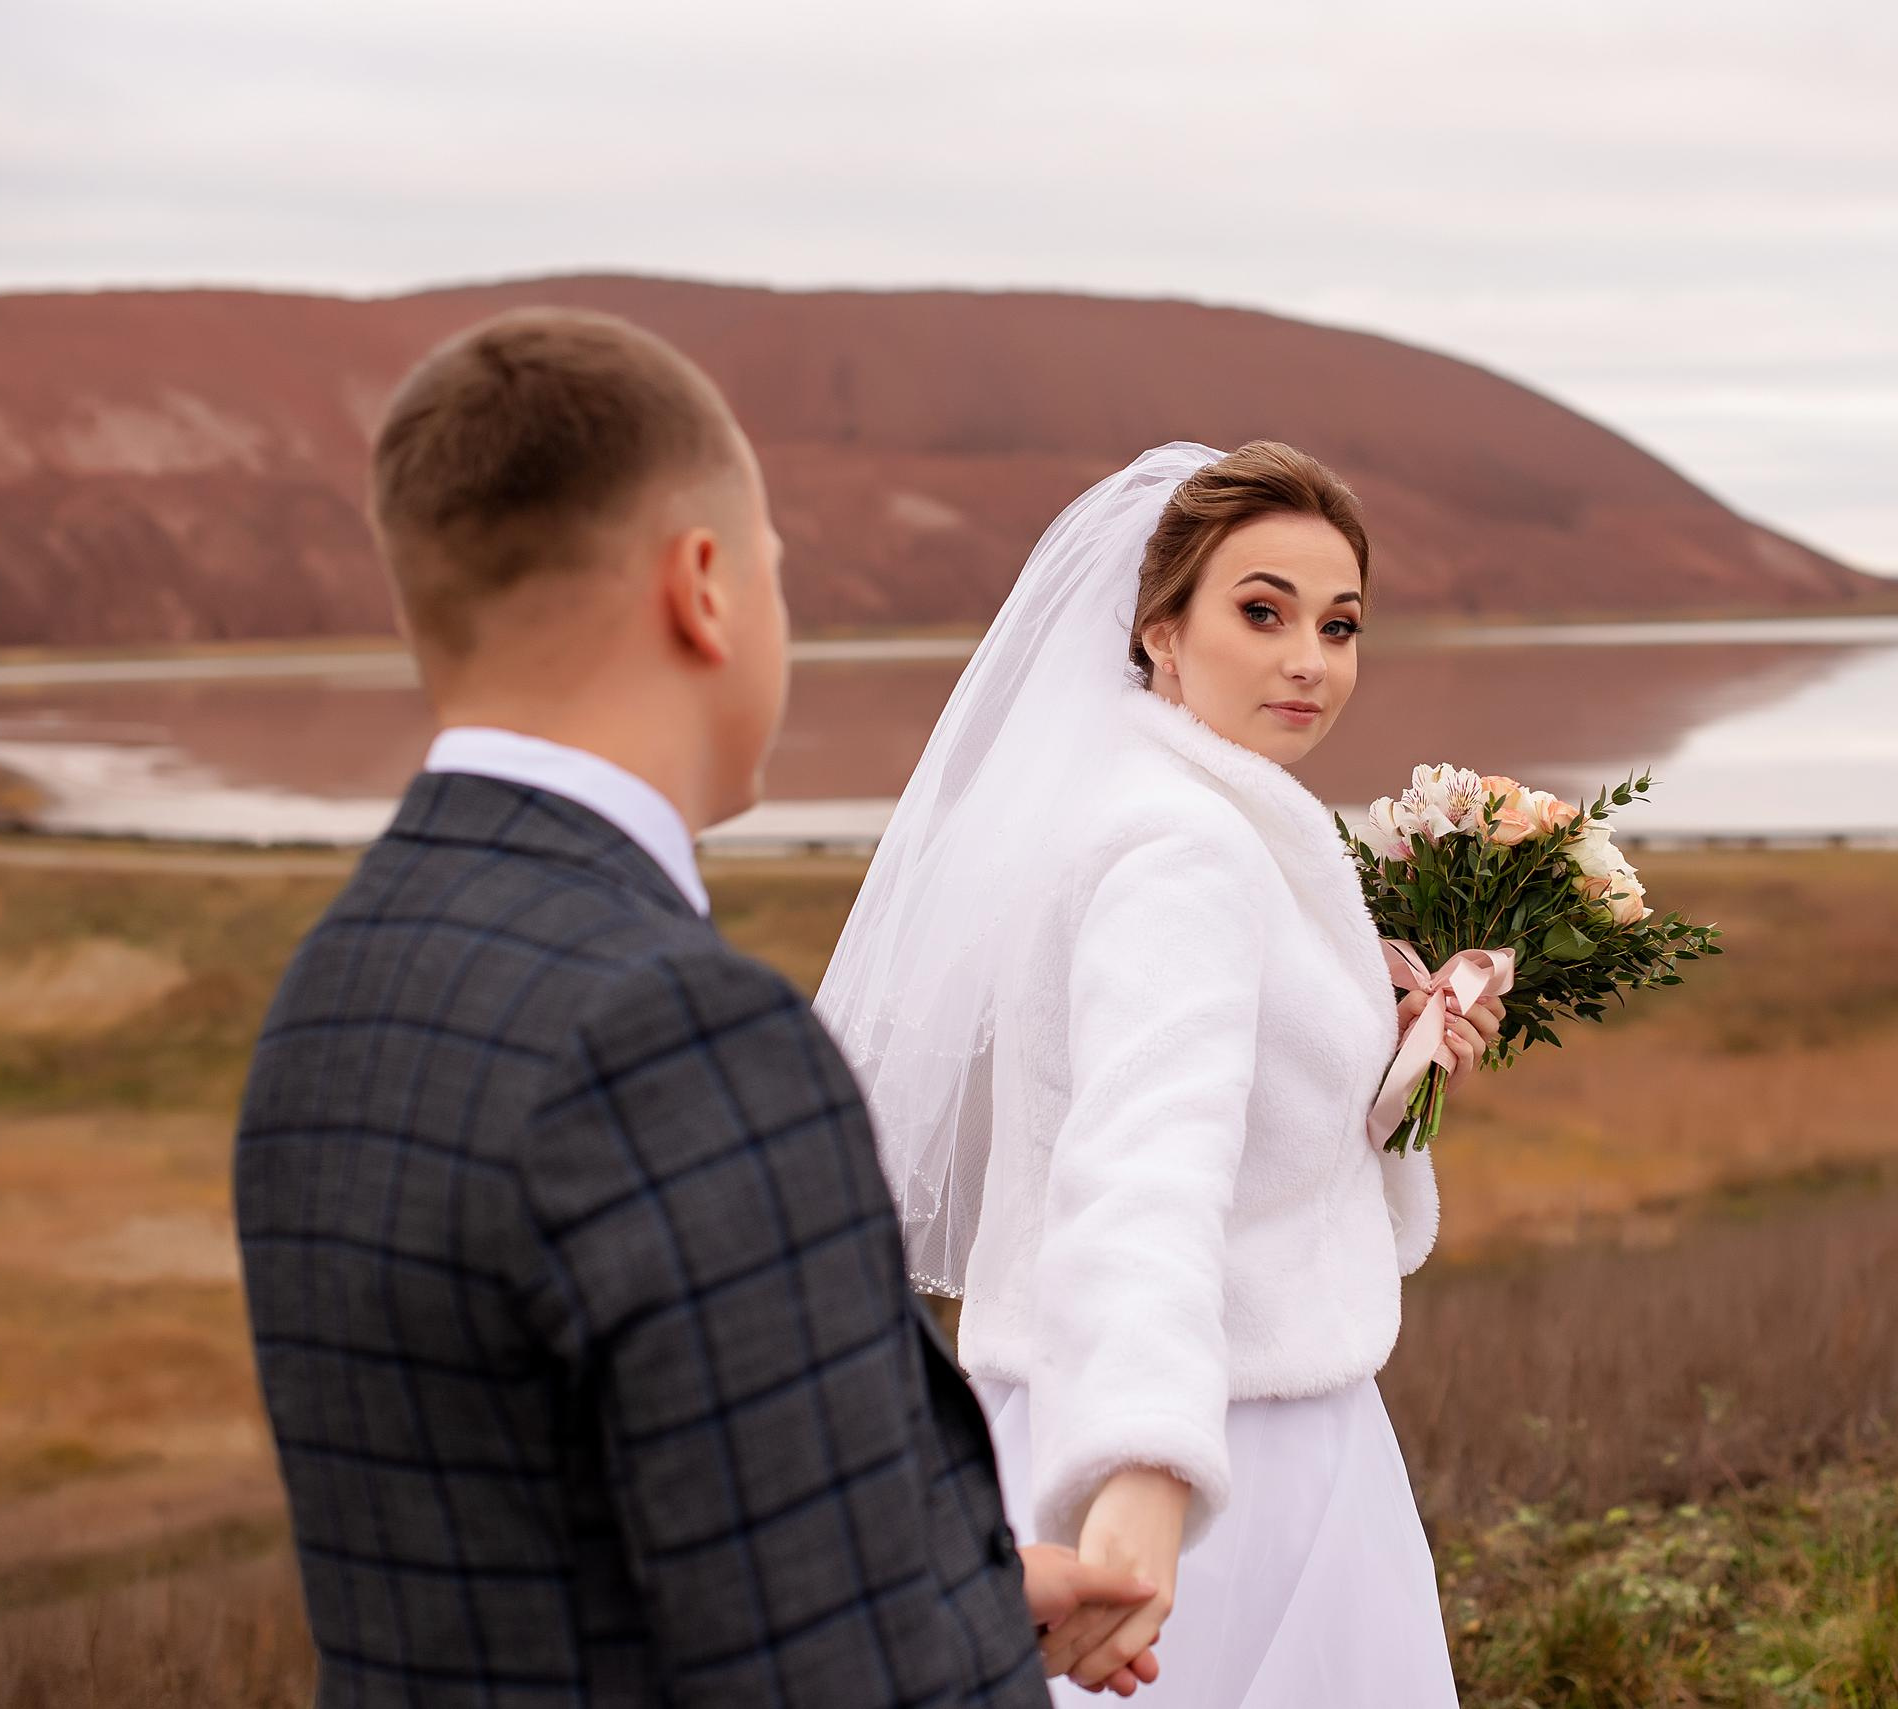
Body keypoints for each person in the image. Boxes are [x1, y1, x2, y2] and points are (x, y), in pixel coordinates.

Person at [233, 307, 1158, 1706]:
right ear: (705, 586)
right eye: (777, 574)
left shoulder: (333, 985)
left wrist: (957, 1590)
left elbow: (525, 1535)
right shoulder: (676, 1033)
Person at [815, 441, 1503, 1705]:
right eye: (1261, 610)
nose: (1310, 657)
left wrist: (1394, 1063)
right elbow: (1142, 1162)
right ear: (1161, 637)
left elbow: (1246, 1135)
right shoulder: (1180, 853)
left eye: (1339, 623)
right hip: (1211, 1453)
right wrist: (1140, 1474)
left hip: (1201, 1412)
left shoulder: (1184, 819)